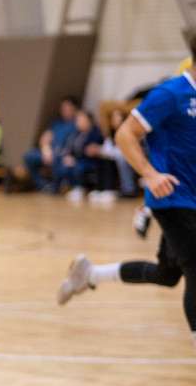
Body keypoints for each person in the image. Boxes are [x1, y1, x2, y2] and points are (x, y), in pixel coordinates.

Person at [59, 35, 196, 350]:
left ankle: (90, 274)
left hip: (190, 198)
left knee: (167, 274)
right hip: (172, 198)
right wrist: (149, 173)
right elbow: (125, 134)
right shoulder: (170, 93)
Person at [25, 96, 79, 192]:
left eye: (67, 107)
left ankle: (55, 188)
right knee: (29, 155)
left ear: (75, 108)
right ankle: (43, 185)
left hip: (63, 154)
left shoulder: (77, 124)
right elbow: (45, 138)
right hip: (50, 152)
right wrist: (46, 150)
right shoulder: (56, 123)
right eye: (63, 107)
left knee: (57, 158)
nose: (64, 110)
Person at [49, 109, 102, 199]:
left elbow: (89, 151)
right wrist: (67, 156)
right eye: (77, 119)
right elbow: (69, 147)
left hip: (88, 160)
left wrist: (75, 160)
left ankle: (80, 187)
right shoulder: (75, 133)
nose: (78, 122)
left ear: (88, 120)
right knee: (62, 164)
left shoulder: (94, 133)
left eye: (81, 119)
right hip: (75, 159)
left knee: (78, 167)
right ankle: (57, 187)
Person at [92, 108, 138, 200]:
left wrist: (102, 151)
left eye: (117, 117)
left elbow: (124, 151)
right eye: (113, 117)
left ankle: (128, 190)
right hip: (114, 158)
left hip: (129, 159)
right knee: (102, 159)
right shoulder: (111, 134)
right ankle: (102, 188)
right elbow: (106, 149)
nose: (114, 119)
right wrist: (100, 151)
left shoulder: (129, 132)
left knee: (121, 159)